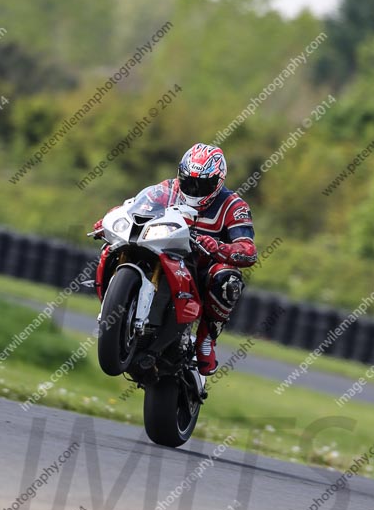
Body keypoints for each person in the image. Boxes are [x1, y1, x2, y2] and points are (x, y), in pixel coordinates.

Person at [93, 143, 257, 375]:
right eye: (188, 181)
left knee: (228, 278)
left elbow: (248, 249)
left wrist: (219, 247)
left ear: (217, 183)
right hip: (164, 252)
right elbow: (134, 207)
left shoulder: (233, 206)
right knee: (112, 247)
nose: (194, 188)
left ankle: (206, 340)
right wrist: (110, 219)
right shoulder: (166, 189)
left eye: (202, 184)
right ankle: (117, 311)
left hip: (200, 268)